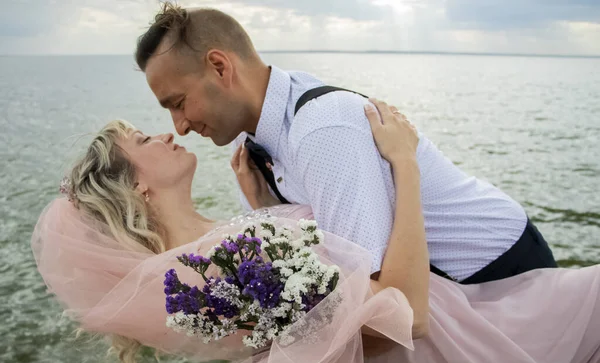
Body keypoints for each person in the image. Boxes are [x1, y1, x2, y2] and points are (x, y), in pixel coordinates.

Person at [33, 100, 600, 363]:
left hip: (448, 336)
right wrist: (404, 165)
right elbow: (405, 312)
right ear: (137, 187)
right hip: (448, 354)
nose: (164, 133)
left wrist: (265, 208)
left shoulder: (207, 259)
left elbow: (294, 312)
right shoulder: (227, 260)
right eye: (141, 140)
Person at [134, 3, 556, 285]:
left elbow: (365, 292)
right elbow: (315, 268)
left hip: (498, 270)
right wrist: (266, 211)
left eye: (178, 103)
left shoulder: (321, 129)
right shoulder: (253, 153)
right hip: (441, 289)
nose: (180, 126)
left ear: (220, 66)